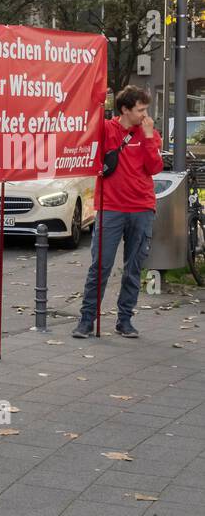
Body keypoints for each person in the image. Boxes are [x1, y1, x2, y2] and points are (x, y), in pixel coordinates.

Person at [72, 85, 161, 339]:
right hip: (111, 208)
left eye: (146, 109)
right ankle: (87, 320)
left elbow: (154, 167)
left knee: (133, 267)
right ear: (125, 109)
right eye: (141, 110)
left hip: (142, 208)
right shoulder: (107, 129)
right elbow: (88, 124)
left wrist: (147, 136)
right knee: (100, 266)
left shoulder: (149, 132)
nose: (145, 114)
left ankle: (125, 320)